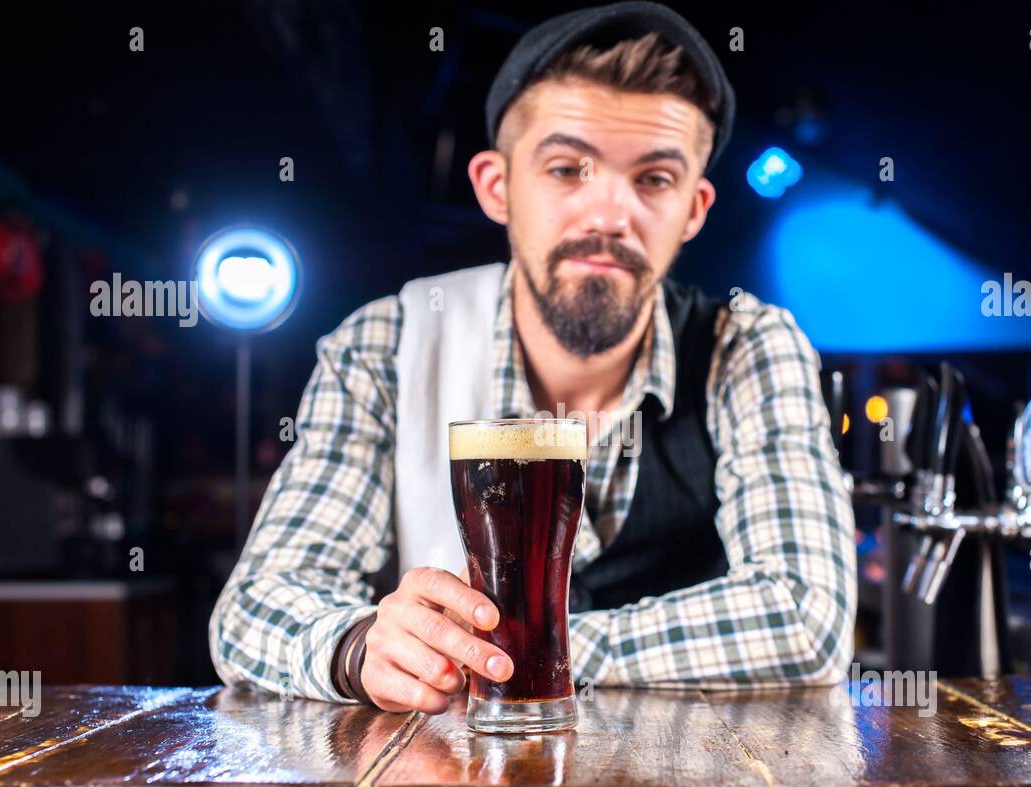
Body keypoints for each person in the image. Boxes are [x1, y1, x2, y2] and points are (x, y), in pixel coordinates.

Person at [210, 1, 856, 713]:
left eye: (654, 179)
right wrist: (359, 644)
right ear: (496, 187)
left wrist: (541, 653)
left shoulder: (748, 348)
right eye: (566, 168)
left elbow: (808, 616)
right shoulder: (387, 345)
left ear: (694, 210)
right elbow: (253, 609)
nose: (610, 214)